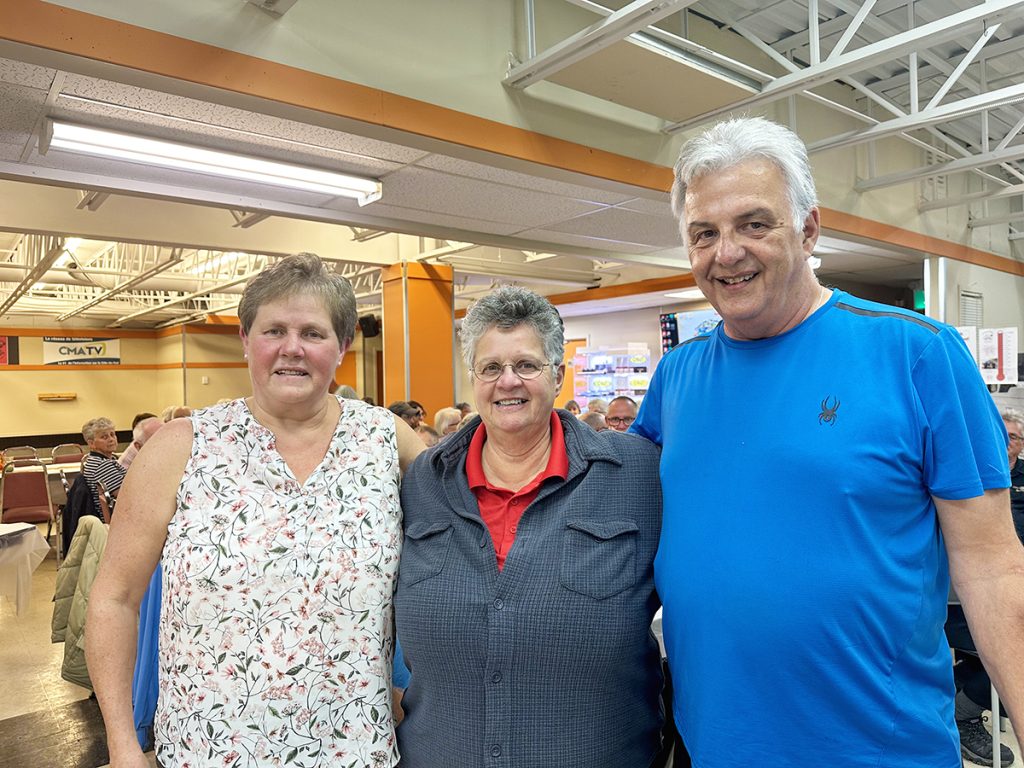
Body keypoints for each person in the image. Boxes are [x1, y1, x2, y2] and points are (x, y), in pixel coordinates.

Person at [631, 116, 1023, 768]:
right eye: (705, 233)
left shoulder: (917, 353)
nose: (727, 252)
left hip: (881, 751)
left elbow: (993, 567)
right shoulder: (676, 377)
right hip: (716, 749)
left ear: (810, 228)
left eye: (755, 224)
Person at [87, 253, 423, 768]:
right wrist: (122, 745)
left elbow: (450, 568)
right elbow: (115, 599)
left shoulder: (386, 441)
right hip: (208, 750)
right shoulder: (182, 447)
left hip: (355, 749)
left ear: (343, 345)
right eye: (274, 330)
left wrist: (412, 685)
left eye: (313, 332)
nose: (292, 348)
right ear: (245, 341)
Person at [395, 285, 664, 768]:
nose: (508, 382)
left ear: (558, 374)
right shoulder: (422, 484)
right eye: (491, 367)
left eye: (526, 365)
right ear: (473, 378)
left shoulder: (640, 476)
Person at [945, 408, 1024, 767]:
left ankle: (964, 704)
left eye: (1014, 438)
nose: (1007, 445)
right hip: (956, 600)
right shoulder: (963, 473)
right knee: (1005, 647)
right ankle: (964, 713)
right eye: (1003, 436)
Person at [81, 417, 127, 511]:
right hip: (118, 516)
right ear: (91, 444)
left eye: (112, 434)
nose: (111, 439)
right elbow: (127, 495)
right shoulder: (102, 465)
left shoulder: (95, 460)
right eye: (104, 437)